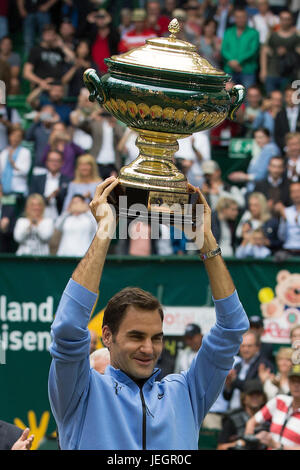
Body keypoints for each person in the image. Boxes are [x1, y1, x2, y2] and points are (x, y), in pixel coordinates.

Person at [48, 176, 249, 450]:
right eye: (136, 336)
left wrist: (206, 240)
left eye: (156, 337)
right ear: (107, 336)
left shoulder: (186, 392)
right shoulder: (81, 393)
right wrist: (106, 229)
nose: (148, 348)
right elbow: (68, 329)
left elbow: (232, 328)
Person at [244, 364, 300, 450]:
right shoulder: (279, 401)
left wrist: (279, 446)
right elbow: (251, 422)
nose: (296, 385)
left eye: (299, 381)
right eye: (293, 381)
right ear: (288, 383)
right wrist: (250, 439)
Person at [223, 331, 275, 410]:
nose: (245, 349)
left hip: (253, 413)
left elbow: (254, 389)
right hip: (232, 412)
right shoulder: (237, 365)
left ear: (257, 347)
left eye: (249, 346)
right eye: (243, 346)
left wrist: (234, 380)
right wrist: (228, 386)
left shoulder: (264, 365)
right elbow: (227, 397)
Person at [217, 379, 267, 450]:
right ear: (244, 398)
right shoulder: (232, 418)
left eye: (258, 394)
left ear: (263, 398)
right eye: (251, 394)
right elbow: (220, 447)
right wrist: (237, 444)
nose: (255, 397)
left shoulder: (269, 420)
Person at [260, 10, 300, 95]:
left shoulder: (296, 36)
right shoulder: (272, 35)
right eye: (283, 19)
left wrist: (289, 52)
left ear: (291, 20)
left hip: (289, 74)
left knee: (287, 101)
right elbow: (264, 51)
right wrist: (263, 70)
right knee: (270, 99)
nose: (285, 21)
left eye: (287, 19)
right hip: (272, 72)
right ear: (280, 20)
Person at [77, 108, 124, 180]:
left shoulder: (116, 126)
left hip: (112, 164)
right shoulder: (96, 124)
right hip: (96, 162)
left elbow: (121, 137)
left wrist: (115, 122)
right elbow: (81, 126)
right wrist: (92, 117)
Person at [228, 128, 281, 192]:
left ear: (268, 138)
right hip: (255, 188)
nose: (258, 140)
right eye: (256, 137)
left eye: (261, 137)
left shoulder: (270, 149)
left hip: (261, 189)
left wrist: (243, 176)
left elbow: (263, 175)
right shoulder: (262, 150)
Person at [221, 8, 260, 88]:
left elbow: (253, 51)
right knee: (228, 96)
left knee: (247, 96)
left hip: (247, 69)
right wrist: (232, 62)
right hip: (230, 69)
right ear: (234, 18)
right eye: (238, 17)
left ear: (246, 18)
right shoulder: (228, 32)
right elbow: (224, 49)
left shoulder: (254, 33)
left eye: (242, 17)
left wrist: (238, 61)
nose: (240, 19)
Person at [23, 24, 68, 90]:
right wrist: (41, 82)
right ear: (43, 35)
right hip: (41, 88)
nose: (49, 36)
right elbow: (26, 73)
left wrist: (62, 45)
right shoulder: (36, 50)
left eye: (52, 34)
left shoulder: (59, 50)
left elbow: (74, 60)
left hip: (58, 88)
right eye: (47, 33)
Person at [29, 150, 70, 220]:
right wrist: (48, 198)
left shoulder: (68, 180)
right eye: (51, 160)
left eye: (57, 161)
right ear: (46, 162)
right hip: (40, 216)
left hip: (60, 217)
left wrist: (58, 195)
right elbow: (31, 198)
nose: (54, 163)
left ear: (62, 163)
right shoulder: (37, 179)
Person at [0, 127, 31, 200]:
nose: (15, 138)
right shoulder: (4, 153)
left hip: (18, 190)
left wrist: (12, 162)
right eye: (13, 135)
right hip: (3, 190)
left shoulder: (25, 152)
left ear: (21, 139)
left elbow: (25, 171)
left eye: (18, 136)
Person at [277, 180, 300, 256]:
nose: (296, 194)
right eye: (293, 192)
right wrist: (284, 219)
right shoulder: (286, 211)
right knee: (278, 256)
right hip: (288, 249)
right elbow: (281, 237)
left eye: (298, 191)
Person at [274, 88, 300, 153]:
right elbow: (277, 135)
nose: (291, 98)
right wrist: (285, 148)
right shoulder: (280, 114)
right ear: (285, 98)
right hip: (284, 149)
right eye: (288, 96)